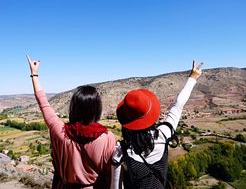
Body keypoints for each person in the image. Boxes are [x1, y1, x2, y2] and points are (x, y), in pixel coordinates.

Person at [26, 55, 116, 189]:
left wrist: (34, 74)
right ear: (97, 109)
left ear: (73, 107)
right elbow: (111, 174)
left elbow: (43, 102)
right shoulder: (107, 138)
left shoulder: (60, 131)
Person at [111, 60, 203, 189]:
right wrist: (192, 78)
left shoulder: (121, 152)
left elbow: (115, 187)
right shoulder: (163, 134)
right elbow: (178, 105)